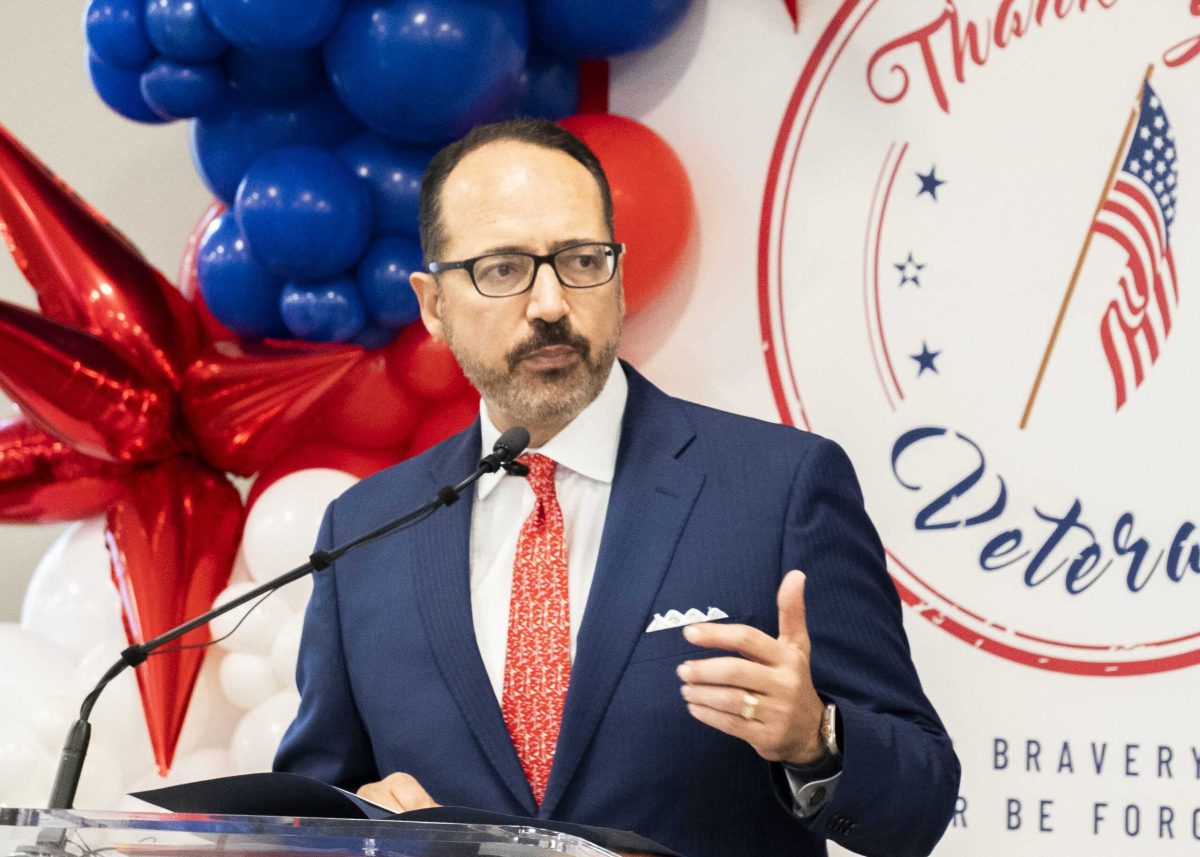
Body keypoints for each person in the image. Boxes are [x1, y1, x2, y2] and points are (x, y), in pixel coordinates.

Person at [274, 119, 960, 857]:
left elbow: (918, 799)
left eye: (580, 260)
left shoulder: (779, 489)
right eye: (503, 269)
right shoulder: (366, 529)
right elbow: (309, 812)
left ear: (619, 274)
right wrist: (352, 820)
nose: (548, 304)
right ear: (434, 305)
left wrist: (816, 738)